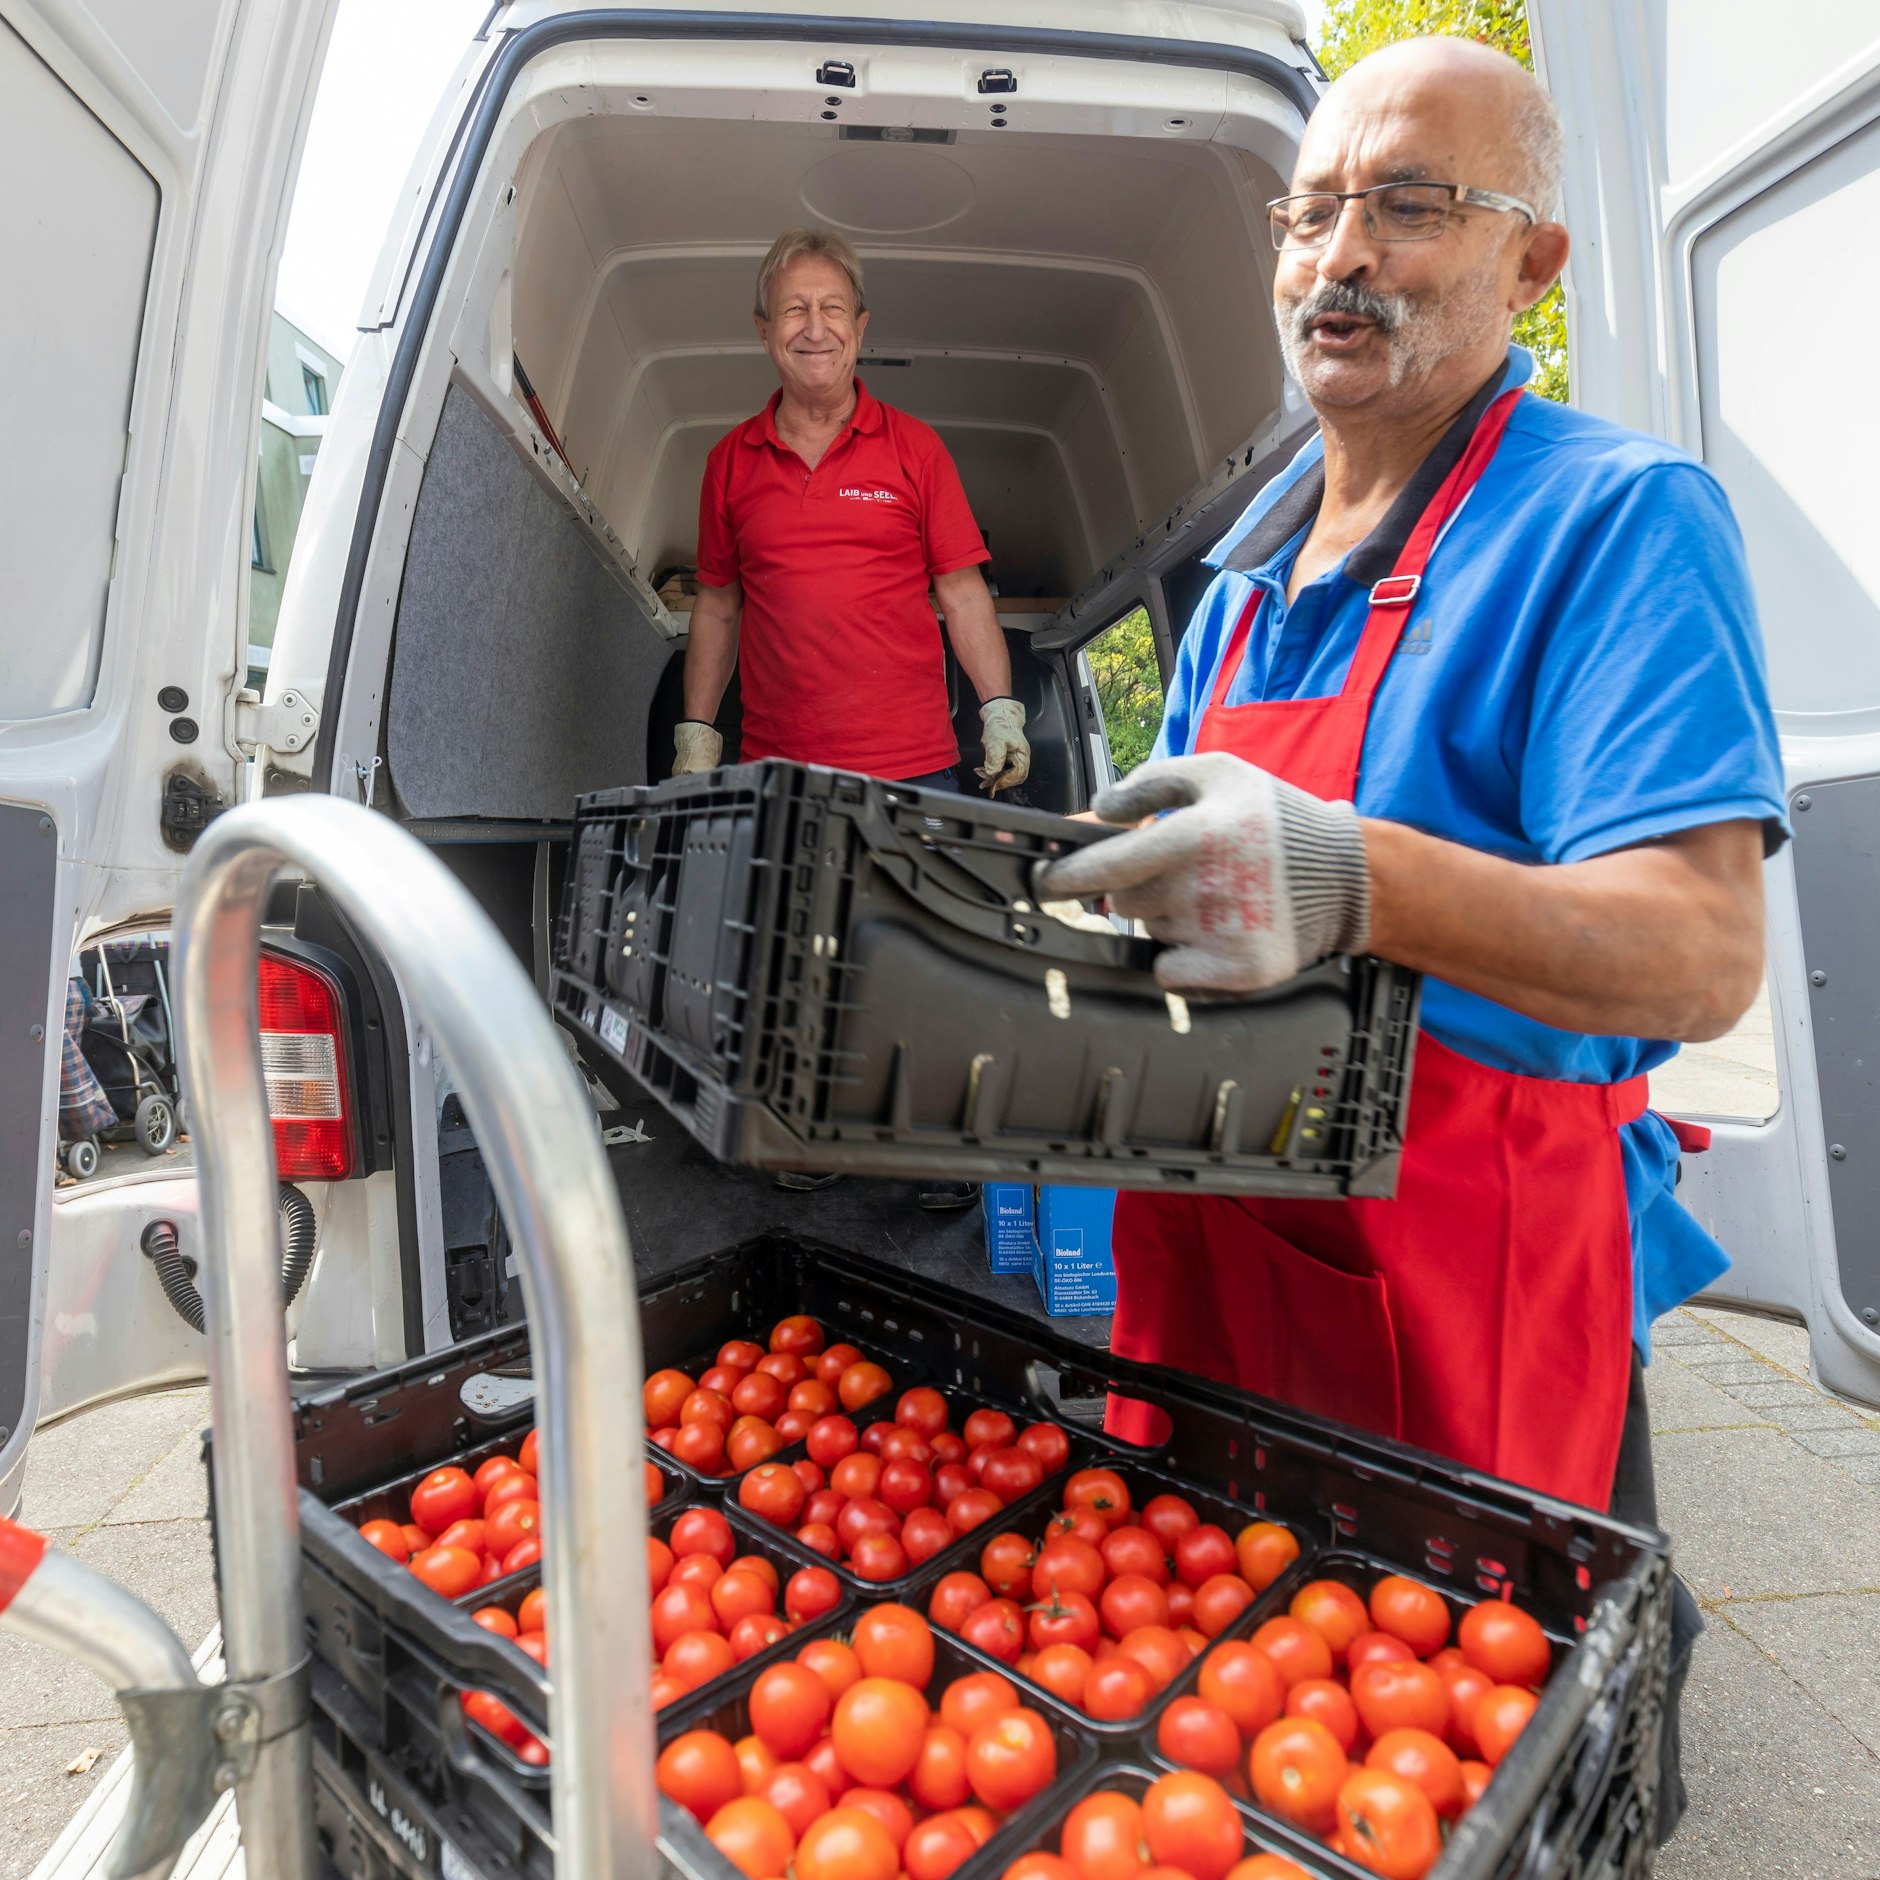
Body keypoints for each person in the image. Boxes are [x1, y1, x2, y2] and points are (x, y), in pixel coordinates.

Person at [1036, 37, 1785, 1841]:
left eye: (1409, 204)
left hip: (1465, 1274)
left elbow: (1697, 953)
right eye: (1308, 213)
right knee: (1251, 1724)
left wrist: (1349, 874)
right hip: (1223, 1262)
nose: (1337, 255)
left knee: (1498, 1762)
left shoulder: (1614, 522)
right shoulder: (1240, 575)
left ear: (1534, 263)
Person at [680, 226, 1028, 1206]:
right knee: (798, 965)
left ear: (861, 326)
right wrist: (696, 733)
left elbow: (961, 591)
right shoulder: (728, 463)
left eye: (832, 307)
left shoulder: (913, 449)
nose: (814, 326)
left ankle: (933, 1159)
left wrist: (998, 707)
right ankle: (816, 1135)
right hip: (783, 769)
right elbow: (715, 603)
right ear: (763, 331)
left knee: (921, 970)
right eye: (793, 309)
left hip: (915, 763)